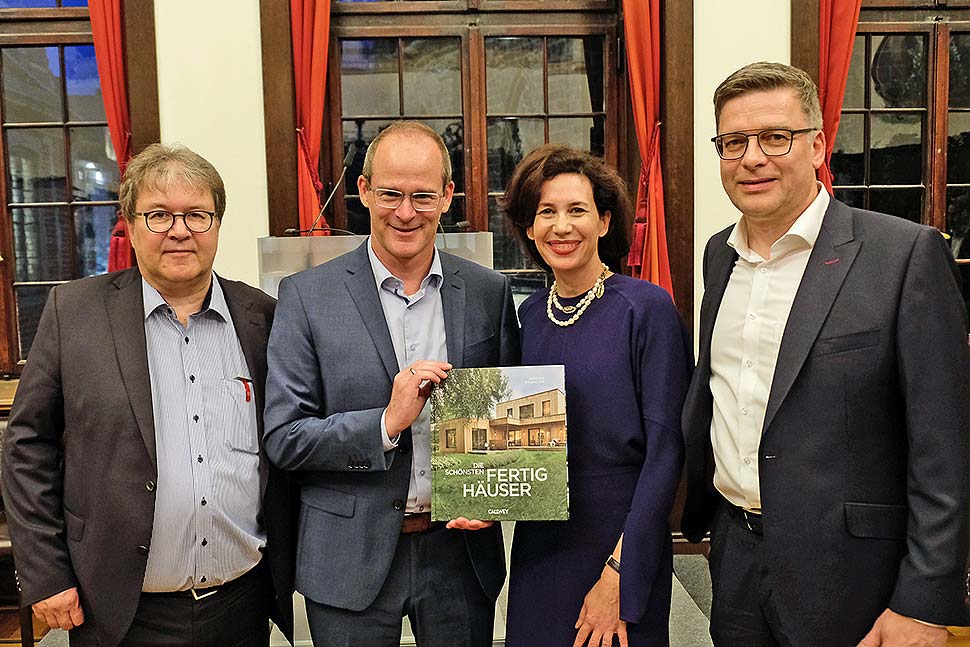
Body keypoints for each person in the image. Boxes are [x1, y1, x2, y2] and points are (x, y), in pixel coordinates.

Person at [681, 61, 970, 646]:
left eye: (774, 137)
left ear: (818, 145)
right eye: (733, 142)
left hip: (853, 577)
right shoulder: (719, 256)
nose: (752, 157)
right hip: (735, 558)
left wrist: (925, 602)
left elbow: (946, 446)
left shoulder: (902, 256)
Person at [1, 144, 295, 647]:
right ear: (130, 225)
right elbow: (26, 447)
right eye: (159, 215)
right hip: (116, 610)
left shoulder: (264, 317)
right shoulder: (74, 314)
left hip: (241, 605)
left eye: (197, 215)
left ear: (217, 224)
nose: (179, 231)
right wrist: (47, 574)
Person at [262, 120, 520, 647]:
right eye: (391, 194)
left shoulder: (488, 292)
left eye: (423, 195)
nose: (406, 212)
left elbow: (506, 422)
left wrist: (495, 499)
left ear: (447, 196)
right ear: (364, 192)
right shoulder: (307, 297)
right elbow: (284, 437)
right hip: (346, 556)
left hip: (458, 556)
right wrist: (385, 424)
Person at [500, 145, 692, 647]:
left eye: (577, 210)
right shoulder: (530, 316)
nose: (561, 226)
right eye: (546, 212)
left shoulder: (646, 309)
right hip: (541, 543)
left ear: (605, 222)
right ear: (528, 227)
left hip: (623, 538)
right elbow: (519, 441)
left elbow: (666, 452)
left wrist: (618, 576)